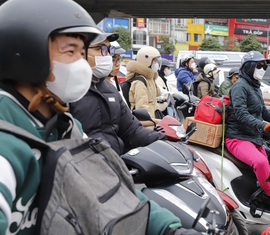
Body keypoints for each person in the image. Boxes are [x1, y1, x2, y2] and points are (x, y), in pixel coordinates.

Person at [0, 1, 202, 235]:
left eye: (82, 53)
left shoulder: (67, 127)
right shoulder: (7, 143)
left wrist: (168, 230)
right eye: (70, 51)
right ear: (26, 57)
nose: (81, 64)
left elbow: (109, 184)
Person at [69, 31, 166, 156]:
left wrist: (164, 141)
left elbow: (132, 131)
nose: (107, 55)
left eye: (108, 50)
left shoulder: (110, 90)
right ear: (80, 53)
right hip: (86, 168)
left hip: (116, 164)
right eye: (100, 48)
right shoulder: (67, 91)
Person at [224, 51, 270, 221]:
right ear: (249, 67)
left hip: (254, 137)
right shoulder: (240, 87)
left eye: (264, 66)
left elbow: (263, 112)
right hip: (237, 137)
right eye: (259, 65)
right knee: (259, 162)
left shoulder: (255, 87)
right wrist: (263, 125)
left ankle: (265, 193)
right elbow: (241, 114)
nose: (262, 69)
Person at [125, 46, 162, 119]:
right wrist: (153, 122)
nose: (156, 63)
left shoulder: (150, 78)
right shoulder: (140, 82)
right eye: (155, 61)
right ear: (147, 60)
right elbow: (142, 107)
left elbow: (156, 97)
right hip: (147, 124)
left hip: (153, 121)